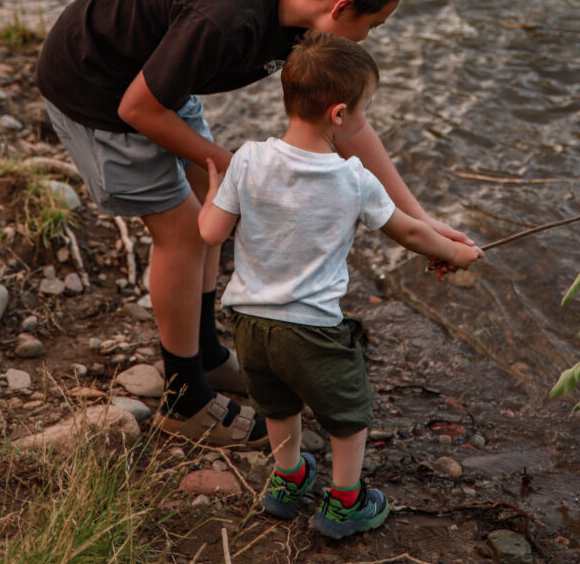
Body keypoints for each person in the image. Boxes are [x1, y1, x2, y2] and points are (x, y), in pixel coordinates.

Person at [35, 0, 472, 446]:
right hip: (98, 89)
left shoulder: (299, 12)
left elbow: (349, 124)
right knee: (184, 232)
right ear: (339, 8)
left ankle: (208, 356)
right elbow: (137, 108)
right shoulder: (228, 18)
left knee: (211, 209)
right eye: (373, 26)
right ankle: (184, 399)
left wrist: (421, 220)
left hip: (160, 79)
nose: (368, 38)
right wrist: (237, 166)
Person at [198, 31, 483, 538]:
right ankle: (346, 503)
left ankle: (288, 482)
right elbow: (410, 231)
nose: (365, 120)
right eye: (365, 109)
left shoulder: (247, 158)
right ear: (338, 114)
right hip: (312, 330)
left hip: (249, 326)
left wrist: (214, 190)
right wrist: (456, 251)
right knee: (349, 417)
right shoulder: (353, 179)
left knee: (279, 406)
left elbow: (210, 233)